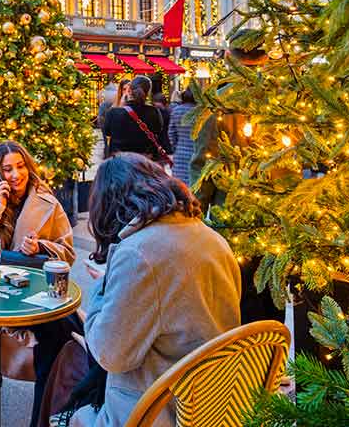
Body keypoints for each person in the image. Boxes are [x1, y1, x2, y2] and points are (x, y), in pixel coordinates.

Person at [69, 153, 241, 427]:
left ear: (108, 203)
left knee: (66, 367)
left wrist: (104, 284)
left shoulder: (138, 253)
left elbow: (109, 355)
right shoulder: (212, 238)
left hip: (158, 408)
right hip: (214, 402)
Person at [0, 141, 77, 427]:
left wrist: (41, 246)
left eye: (20, 166)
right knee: (61, 335)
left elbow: (68, 253)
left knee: (61, 334)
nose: (15, 175)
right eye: (7, 169)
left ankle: (45, 416)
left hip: (34, 296)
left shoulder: (47, 201)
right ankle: (51, 415)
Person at [103, 76, 171, 163]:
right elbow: (158, 130)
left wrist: (121, 105)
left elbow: (107, 132)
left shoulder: (113, 113)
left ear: (129, 90)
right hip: (144, 163)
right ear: (148, 93)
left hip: (120, 162)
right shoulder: (154, 112)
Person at [168, 88, 197, 185]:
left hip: (180, 152)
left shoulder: (176, 111)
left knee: (180, 184)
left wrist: (175, 147)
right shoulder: (200, 112)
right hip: (196, 151)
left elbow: (171, 133)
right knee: (194, 182)